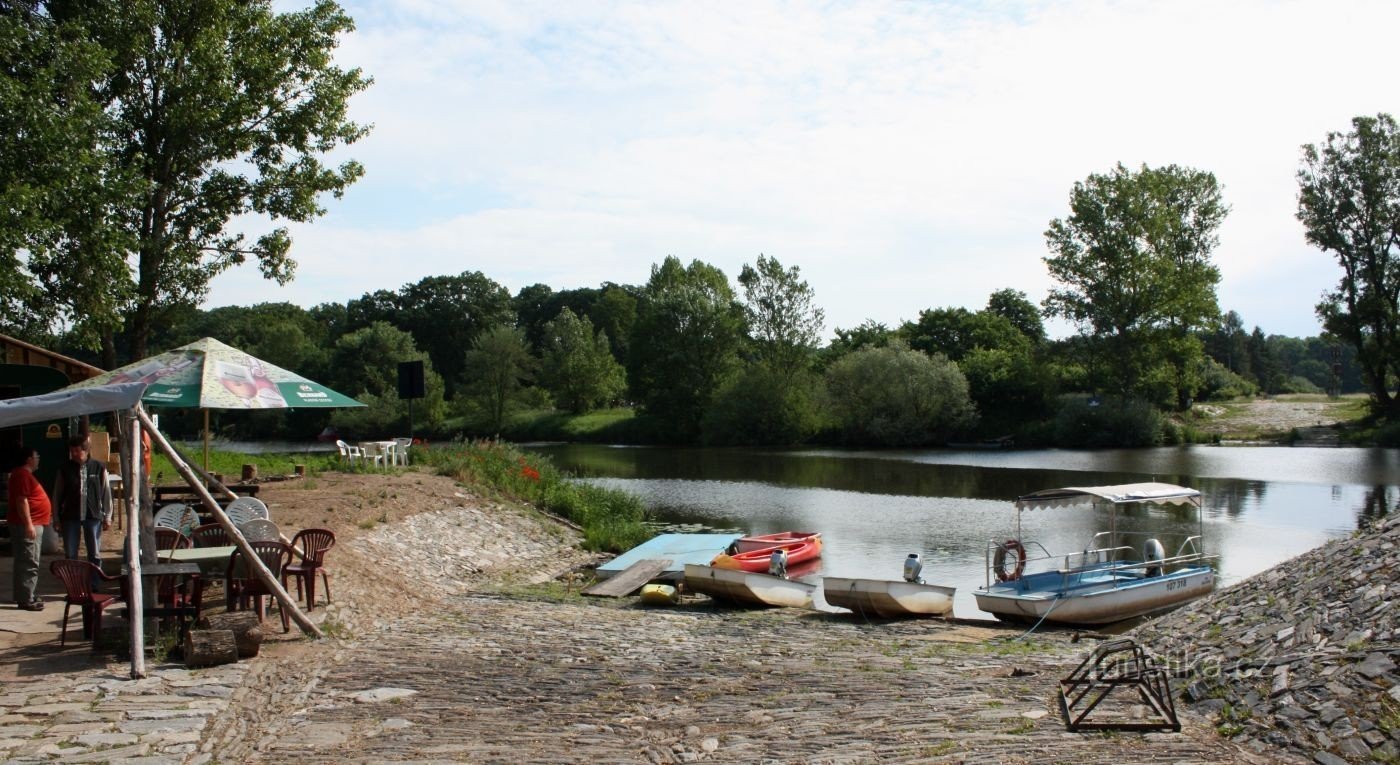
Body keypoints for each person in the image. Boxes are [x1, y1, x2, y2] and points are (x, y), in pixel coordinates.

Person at [52, 435, 112, 572]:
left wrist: (107, 516)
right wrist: (56, 518)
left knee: (94, 553)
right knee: (71, 554)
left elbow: (106, 493)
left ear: (86, 451)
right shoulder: (64, 469)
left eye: (77, 451)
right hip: (70, 516)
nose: (74, 454)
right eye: (72, 451)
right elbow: (57, 495)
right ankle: (74, 585)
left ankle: (94, 584)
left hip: (93, 516)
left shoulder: (99, 467)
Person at [8, 445, 52, 611]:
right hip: (27, 525)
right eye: (36, 456)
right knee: (28, 561)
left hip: (31, 523)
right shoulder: (22, 475)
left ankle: (27, 594)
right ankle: (26, 598)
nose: (38, 459)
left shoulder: (23, 475)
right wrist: (28, 524)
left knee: (26, 560)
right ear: (29, 459)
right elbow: (21, 500)